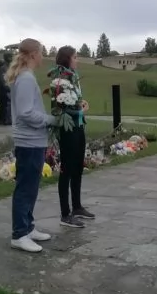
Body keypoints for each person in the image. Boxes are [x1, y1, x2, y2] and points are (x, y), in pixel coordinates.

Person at [8, 38, 56, 253]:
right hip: (28, 141)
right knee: (25, 188)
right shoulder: (26, 78)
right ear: (34, 54)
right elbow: (26, 113)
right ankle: (19, 234)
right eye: (41, 52)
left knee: (31, 187)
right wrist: (51, 120)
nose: (43, 56)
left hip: (34, 140)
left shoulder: (27, 76)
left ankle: (27, 227)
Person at [51, 46, 93, 229]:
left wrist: (80, 104)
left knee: (77, 166)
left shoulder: (73, 78)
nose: (77, 60)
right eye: (75, 57)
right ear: (66, 59)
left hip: (78, 127)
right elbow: (60, 110)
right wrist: (80, 111)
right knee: (67, 169)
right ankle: (65, 213)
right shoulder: (59, 81)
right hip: (68, 129)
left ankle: (77, 206)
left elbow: (74, 102)